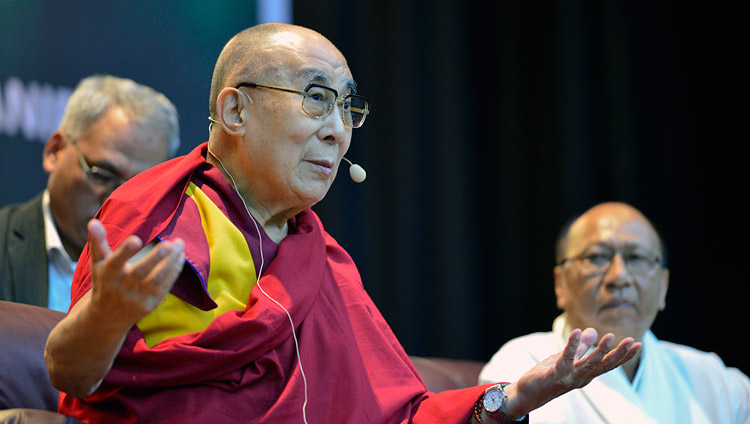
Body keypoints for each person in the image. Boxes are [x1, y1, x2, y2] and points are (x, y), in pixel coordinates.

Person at [44, 24, 641, 424]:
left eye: (347, 106)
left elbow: (400, 416)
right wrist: (107, 314)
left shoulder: (318, 257)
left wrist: (517, 396)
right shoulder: (158, 210)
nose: (338, 129)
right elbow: (70, 373)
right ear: (234, 109)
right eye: (314, 98)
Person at [479, 201, 750, 423]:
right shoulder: (518, 366)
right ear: (560, 284)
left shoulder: (714, 379)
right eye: (597, 257)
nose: (619, 277)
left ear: (664, 286)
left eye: (637, 258)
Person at [0, 74, 180, 313]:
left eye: (139, 188)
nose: (118, 202)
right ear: (55, 151)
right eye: (102, 175)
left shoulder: (164, 281)